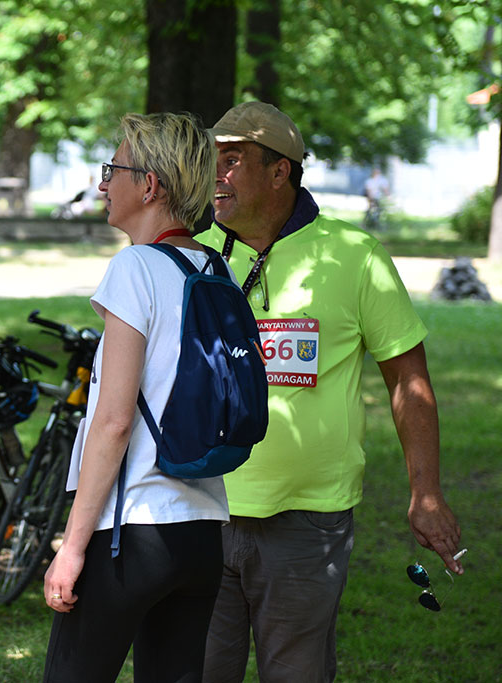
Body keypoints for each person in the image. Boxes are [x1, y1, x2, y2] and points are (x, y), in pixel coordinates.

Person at [197, 101, 462, 682]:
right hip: (198, 507)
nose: (215, 174)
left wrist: (427, 492)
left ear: (279, 171)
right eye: (210, 159)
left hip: (307, 521)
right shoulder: (191, 254)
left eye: (232, 160)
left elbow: (408, 381)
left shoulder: (354, 256)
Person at [41, 112, 230, 682]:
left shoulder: (135, 268)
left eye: (112, 169)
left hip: (132, 530)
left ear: (149, 185)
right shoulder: (213, 267)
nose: (102, 184)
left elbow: (114, 420)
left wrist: (72, 547)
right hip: (202, 532)